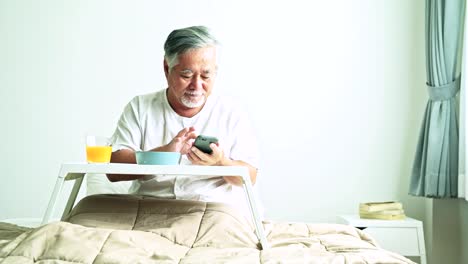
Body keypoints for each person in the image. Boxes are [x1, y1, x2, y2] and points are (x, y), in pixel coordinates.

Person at [107, 25, 261, 216]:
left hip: (212, 212)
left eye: (206, 75)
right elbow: (113, 169)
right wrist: (164, 155)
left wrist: (219, 162)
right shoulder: (140, 107)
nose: (197, 85)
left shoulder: (231, 111)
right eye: (186, 75)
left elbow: (250, 176)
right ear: (166, 68)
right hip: (148, 210)